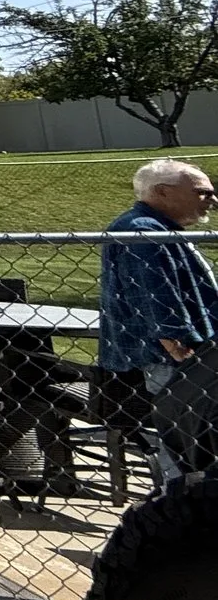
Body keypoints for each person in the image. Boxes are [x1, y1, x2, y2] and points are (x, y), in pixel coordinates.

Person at [100, 157, 218, 482]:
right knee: (184, 445)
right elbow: (151, 292)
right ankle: (182, 508)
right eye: (202, 192)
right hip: (176, 359)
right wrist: (175, 340)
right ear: (163, 192)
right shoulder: (142, 230)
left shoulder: (153, 226)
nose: (212, 199)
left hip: (184, 358)